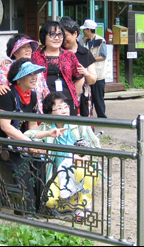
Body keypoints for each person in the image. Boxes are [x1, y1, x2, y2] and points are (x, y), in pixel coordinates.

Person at [0, 58, 64, 215]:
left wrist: (43, 139)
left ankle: (44, 206)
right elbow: (5, 126)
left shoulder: (31, 95)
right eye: (29, 74)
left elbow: (31, 127)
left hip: (14, 138)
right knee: (22, 163)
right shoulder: (7, 94)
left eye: (35, 73)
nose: (34, 77)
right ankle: (26, 210)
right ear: (18, 77)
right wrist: (30, 144)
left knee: (39, 161)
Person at [23, 92, 102, 220]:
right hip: (61, 174)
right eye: (59, 108)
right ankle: (70, 203)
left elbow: (96, 147)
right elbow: (27, 135)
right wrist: (47, 134)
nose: (64, 111)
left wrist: (84, 157)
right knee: (49, 200)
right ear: (50, 113)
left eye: (66, 106)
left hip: (86, 169)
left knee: (81, 170)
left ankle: (83, 208)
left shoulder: (80, 125)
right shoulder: (47, 127)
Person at [32, 21, 84, 116]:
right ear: (44, 36)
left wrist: (73, 96)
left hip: (67, 102)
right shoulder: (35, 57)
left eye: (60, 34)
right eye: (52, 34)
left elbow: (79, 78)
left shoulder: (70, 55)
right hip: (45, 102)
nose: (57, 38)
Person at [0, 34, 50, 113]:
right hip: (17, 114)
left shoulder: (36, 68)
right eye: (23, 47)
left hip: (37, 113)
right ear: (14, 52)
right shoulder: (7, 68)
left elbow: (46, 92)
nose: (28, 50)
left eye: (29, 46)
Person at [59, 16, 98, 117]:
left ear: (75, 34)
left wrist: (86, 74)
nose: (62, 39)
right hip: (61, 98)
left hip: (82, 99)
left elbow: (93, 80)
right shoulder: (57, 52)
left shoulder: (85, 53)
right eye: (60, 35)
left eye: (65, 35)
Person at [80, 19, 107, 118]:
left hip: (98, 75)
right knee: (87, 97)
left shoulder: (101, 41)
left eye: (84, 29)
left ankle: (102, 118)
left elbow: (103, 56)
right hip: (88, 75)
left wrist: (90, 59)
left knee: (98, 99)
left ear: (88, 30)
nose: (83, 31)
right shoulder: (85, 41)